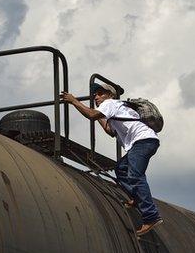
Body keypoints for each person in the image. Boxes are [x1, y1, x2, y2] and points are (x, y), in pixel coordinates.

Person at [60, 83, 163, 235]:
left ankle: (151, 216)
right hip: (142, 142)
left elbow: (91, 115)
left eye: (100, 93)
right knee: (120, 169)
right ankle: (136, 197)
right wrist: (100, 116)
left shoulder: (110, 103)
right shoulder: (114, 108)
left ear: (110, 95)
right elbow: (110, 131)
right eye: (95, 94)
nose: (96, 96)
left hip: (143, 141)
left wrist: (73, 101)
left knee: (135, 175)